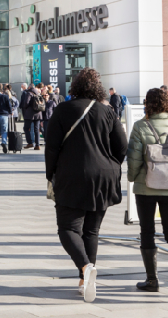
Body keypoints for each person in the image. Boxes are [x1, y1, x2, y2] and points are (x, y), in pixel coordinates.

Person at [44, 68, 127, 303]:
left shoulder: (63, 110)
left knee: (68, 228)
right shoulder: (107, 111)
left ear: (75, 86)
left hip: (71, 175)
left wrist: (51, 174)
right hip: (104, 176)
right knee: (91, 230)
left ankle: (85, 267)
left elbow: (51, 147)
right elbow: (122, 146)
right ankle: (85, 280)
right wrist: (109, 164)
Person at [127, 88, 168, 300]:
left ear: (148, 105)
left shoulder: (140, 126)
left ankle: (152, 280)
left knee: (147, 230)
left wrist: (132, 177)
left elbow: (134, 159)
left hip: (146, 187)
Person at [20, 83, 43, 150]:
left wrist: (25, 108)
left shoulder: (29, 93)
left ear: (29, 87)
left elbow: (26, 103)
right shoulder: (38, 93)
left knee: (26, 128)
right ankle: (37, 145)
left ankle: (30, 143)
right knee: (36, 129)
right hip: (38, 113)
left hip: (30, 114)